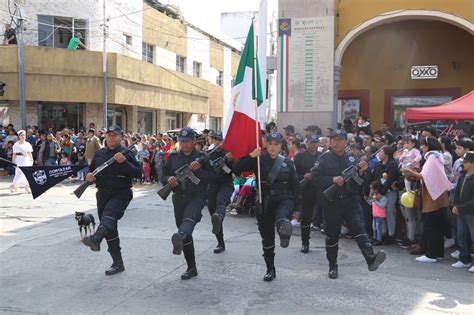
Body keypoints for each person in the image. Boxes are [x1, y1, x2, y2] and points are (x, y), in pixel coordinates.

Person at [312, 129, 386, 279]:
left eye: (339, 139)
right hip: (332, 202)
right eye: (333, 139)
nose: (335, 142)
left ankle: (370, 258)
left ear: (346, 142)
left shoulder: (352, 159)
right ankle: (332, 265)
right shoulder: (324, 159)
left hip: (350, 200)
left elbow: (362, 183)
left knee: (359, 228)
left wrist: (362, 173)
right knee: (332, 235)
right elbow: (314, 177)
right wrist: (333, 179)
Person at [233, 132, 299, 282]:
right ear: (266, 145)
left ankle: (284, 231)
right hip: (264, 200)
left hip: (284, 198)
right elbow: (236, 169)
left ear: (281, 146)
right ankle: (270, 268)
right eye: (270, 144)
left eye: (276, 144)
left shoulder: (287, 162)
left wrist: (297, 209)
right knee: (267, 237)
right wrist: (250, 156)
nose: (273, 147)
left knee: (282, 217)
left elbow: (295, 186)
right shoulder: (258, 159)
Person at [82, 125, 142, 275]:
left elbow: (139, 173)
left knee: (108, 217)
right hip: (102, 194)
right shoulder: (100, 154)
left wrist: (124, 162)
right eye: (109, 135)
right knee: (109, 227)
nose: (112, 138)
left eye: (115, 135)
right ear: (105, 137)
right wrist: (89, 178)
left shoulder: (127, 153)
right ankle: (118, 263)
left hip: (121, 193)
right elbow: (91, 173)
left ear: (121, 137)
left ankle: (96, 238)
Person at [162, 128, 209, 280]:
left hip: (197, 196)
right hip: (178, 197)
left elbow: (212, 178)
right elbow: (163, 174)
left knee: (186, 224)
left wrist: (198, 170)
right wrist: (169, 179)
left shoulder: (202, 157)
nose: (184, 144)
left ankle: (181, 237)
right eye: (182, 141)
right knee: (184, 233)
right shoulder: (173, 157)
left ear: (194, 141)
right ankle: (191, 267)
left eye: (187, 141)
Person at [402, 136, 452, 263]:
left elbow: (423, 176)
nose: (421, 148)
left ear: (428, 146)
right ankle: (438, 253)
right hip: (440, 196)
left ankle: (431, 255)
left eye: (423, 145)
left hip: (433, 197)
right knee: (437, 226)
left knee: (431, 226)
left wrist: (408, 170)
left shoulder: (431, 158)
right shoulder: (437, 157)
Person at [202, 131, 234, 254]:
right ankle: (220, 242)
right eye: (215, 140)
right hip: (212, 186)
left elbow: (232, 171)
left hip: (226, 184)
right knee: (212, 212)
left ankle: (219, 216)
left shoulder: (229, 154)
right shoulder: (208, 155)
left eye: (220, 140)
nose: (217, 143)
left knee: (221, 202)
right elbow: (202, 171)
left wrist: (228, 162)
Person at [293, 134, 321, 253]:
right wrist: (303, 176)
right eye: (311, 142)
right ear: (306, 143)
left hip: (320, 189)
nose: (313, 145)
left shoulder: (322, 156)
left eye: (315, 142)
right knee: (306, 218)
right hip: (306, 190)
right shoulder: (299, 156)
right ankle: (305, 242)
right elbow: (294, 175)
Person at [451, 151, 474, 272]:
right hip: (461, 211)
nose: (462, 164)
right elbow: (457, 192)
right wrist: (456, 205)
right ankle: (464, 259)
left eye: (465, 161)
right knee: (462, 236)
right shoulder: (463, 176)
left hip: (470, 212)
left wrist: (460, 207)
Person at [368, 181, 387, 246]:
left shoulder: (383, 197)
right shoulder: (374, 196)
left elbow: (382, 205)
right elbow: (371, 203)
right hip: (375, 214)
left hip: (380, 215)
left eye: (372, 188)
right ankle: (375, 238)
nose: (371, 190)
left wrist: (375, 201)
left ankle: (379, 239)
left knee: (378, 228)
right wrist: (369, 200)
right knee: (374, 227)